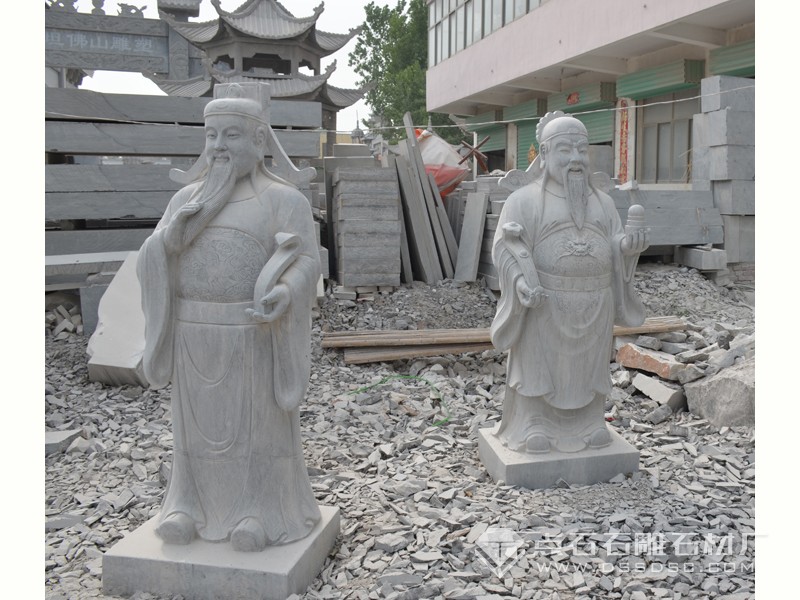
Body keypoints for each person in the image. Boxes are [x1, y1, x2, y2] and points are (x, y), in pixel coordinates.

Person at [137, 82, 321, 551]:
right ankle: (188, 507)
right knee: (195, 430)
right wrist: (170, 240)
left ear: (259, 142)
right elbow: (152, 256)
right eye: (211, 136)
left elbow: (308, 261)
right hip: (193, 333)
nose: (218, 147)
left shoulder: (284, 201)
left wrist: (285, 291)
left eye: (232, 136)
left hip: (255, 333)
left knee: (259, 429)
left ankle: (261, 512)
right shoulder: (185, 202)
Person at [491, 111, 649, 454]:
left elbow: (615, 242)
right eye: (565, 149)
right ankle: (534, 422)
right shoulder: (523, 200)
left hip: (595, 303)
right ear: (544, 154)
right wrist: (519, 282)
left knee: (589, 372)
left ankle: (590, 421)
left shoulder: (603, 203)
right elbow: (505, 248)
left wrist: (627, 249)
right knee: (537, 368)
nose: (576, 158)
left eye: (582, 149)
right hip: (544, 303)